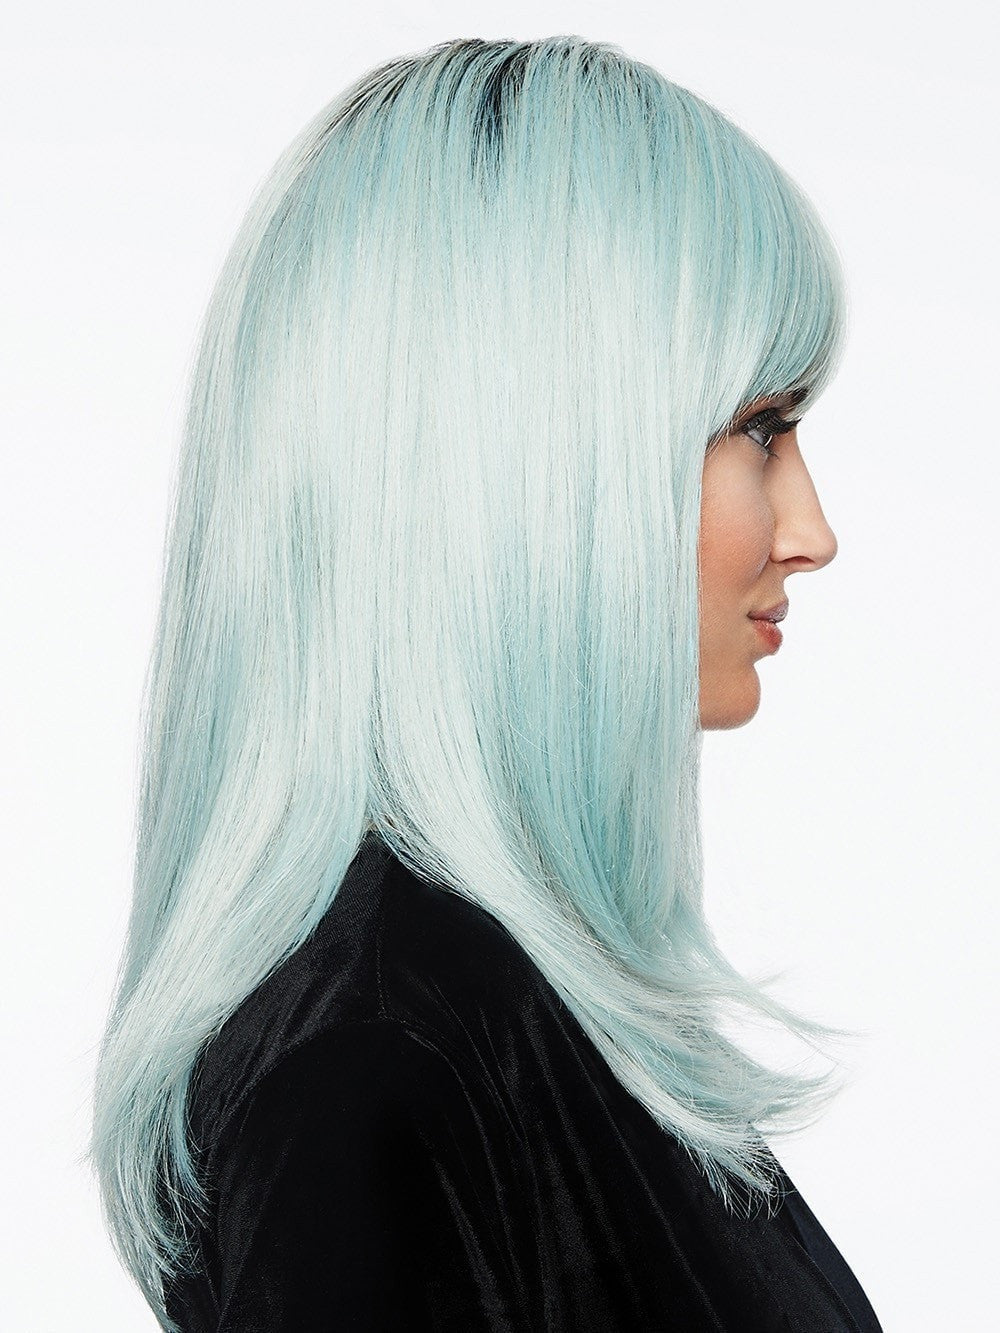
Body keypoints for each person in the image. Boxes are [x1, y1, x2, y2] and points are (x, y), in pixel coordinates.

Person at [88, 35, 882, 1331]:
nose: (811, 530)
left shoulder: (501, 1009)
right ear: (539, 460)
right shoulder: (381, 1060)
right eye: (758, 428)